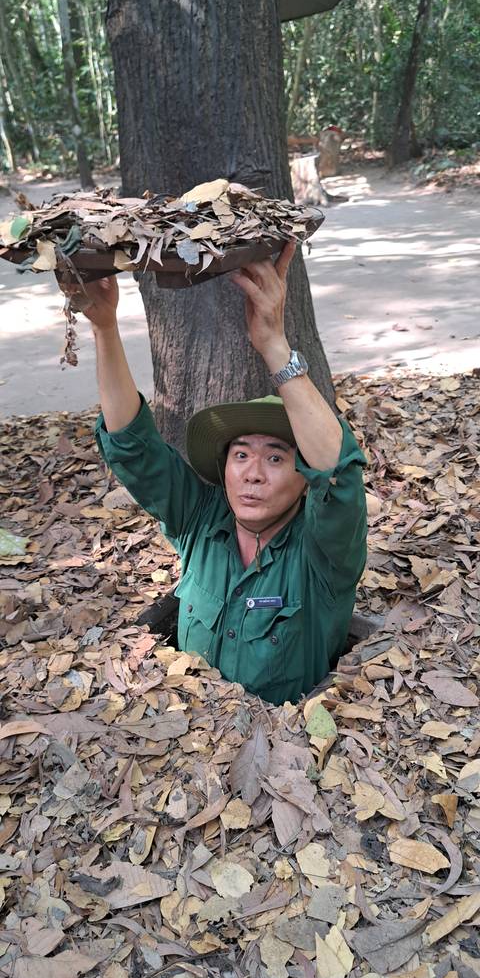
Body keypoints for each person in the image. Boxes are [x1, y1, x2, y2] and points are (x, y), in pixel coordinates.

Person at [81, 240, 367, 705]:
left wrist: (274, 345)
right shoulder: (201, 520)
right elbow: (135, 450)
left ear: (304, 478)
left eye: (276, 457)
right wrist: (104, 327)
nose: (253, 473)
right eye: (241, 456)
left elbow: (338, 474)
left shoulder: (323, 555)